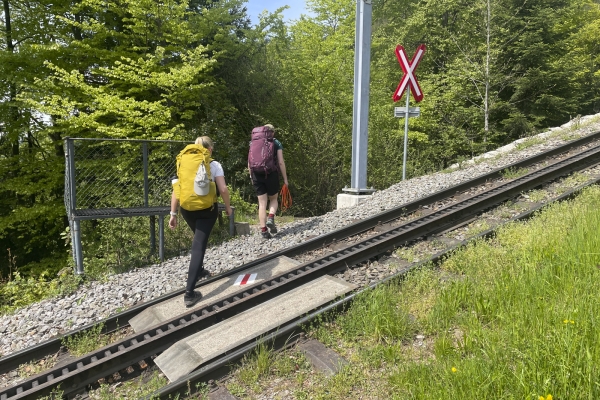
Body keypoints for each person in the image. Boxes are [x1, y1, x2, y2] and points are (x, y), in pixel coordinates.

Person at [169, 136, 232, 307]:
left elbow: (176, 190)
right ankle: (189, 293)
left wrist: (173, 213)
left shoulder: (183, 162)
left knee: (198, 238)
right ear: (209, 149)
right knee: (199, 245)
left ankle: (200, 270)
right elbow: (223, 189)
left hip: (187, 209)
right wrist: (228, 207)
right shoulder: (213, 164)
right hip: (207, 210)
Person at [248, 124, 289, 239]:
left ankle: (264, 231)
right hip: (271, 174)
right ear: (272, 133)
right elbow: (281, 162)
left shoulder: (253, 142)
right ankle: (271, 217)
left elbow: (249, 163)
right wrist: (285, 179)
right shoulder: (276, 143)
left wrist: (251, 177)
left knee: (262, 203)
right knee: (274, 198)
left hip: (256, 174)